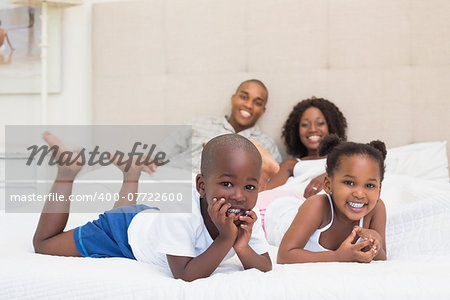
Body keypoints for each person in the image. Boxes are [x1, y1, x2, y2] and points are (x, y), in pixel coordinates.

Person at [33, 132, 272, 282]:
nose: (239, 196)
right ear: (201, 185)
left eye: (250, 187)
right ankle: (66, 172)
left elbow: (265, 266)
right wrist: (225, 239)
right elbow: (185, 275)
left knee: (126, 212)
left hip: (149, 221)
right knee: (44, 243)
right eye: (227, 183)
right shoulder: (180, 210)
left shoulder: (245, 218)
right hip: (121, 232)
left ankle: (131, 174)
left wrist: (241, 245)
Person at [277, 135, 387, 263]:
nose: (359, 194)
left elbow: (382, 258)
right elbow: (284, 255)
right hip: (279, 215)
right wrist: (338, 257)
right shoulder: (317, 206)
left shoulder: (376, 209)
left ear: (379, 190)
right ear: (328, 185)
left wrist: (375, 243)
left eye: (369, 185)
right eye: (349, 183)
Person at [163, 79, 282, 174]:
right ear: (233, 99)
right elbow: (159, 155)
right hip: (175, 183)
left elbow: (273, 183)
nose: (249, 105)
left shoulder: (266, 145)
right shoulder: (197, 124)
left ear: (263, 110)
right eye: (244, 97)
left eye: (257, 103)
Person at [266, 97, 347, 197]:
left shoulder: (345, 159)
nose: (312, 129)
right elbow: (265, 197)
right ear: (296, 131)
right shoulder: (290, 165)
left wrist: (329, 176)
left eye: (320, 123)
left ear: (331, 127)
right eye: (305, 124)